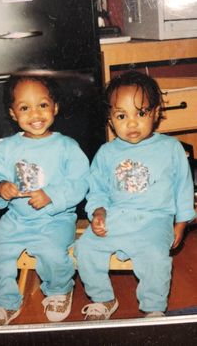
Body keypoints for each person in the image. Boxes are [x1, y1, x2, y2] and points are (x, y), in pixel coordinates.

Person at [75, 70, 195, 320]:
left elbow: (183, 187)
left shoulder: (170, 148)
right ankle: (103, 299)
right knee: (85, 247)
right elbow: (97, 189)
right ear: (110, 119)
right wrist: (98, 212)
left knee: (155, 258)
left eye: (140, 113)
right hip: (117, 218)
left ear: (155, 113)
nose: (131, 123)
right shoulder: (106, 153)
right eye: (121, 115)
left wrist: (181, 223)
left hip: (155, 220)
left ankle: (153, 308)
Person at [0, 70, 89, 326]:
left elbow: (81, 181)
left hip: (55, 220)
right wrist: (0, 186)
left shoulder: (66, 147)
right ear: (12, 113)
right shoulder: (7, 147)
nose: (35, 114)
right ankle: (6, 302)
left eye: (42, 105)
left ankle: (59, 290)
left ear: (55, 107)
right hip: (16, 220)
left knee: (52, 252)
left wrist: (52, 195)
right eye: (25, 108)